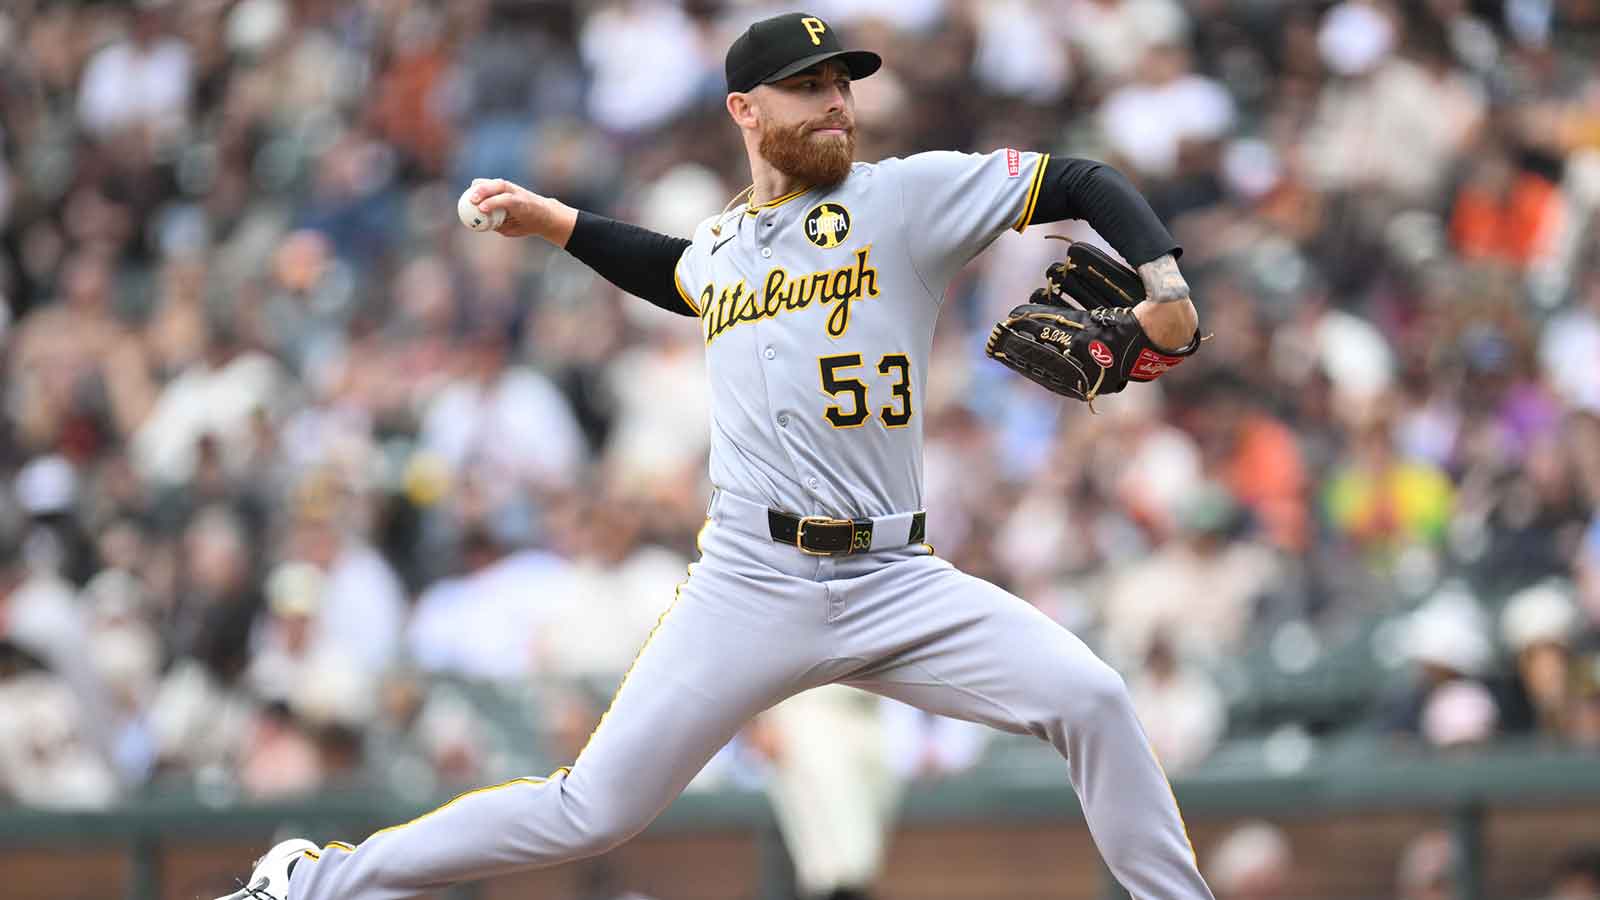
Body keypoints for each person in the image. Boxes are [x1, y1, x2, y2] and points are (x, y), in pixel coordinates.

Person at [218, 12, 1211, 900]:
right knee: (589, 810)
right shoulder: (724, 245)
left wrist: (1162, 279)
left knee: (1092, 699)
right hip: (752, 578)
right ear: (745, 108)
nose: (837, 104)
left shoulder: (904, 198)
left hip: (896, 577)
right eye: (809, 87)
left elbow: (1077, 179)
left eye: (843, 85)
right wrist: (559, 223)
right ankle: (313, 883)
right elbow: (677, 274)